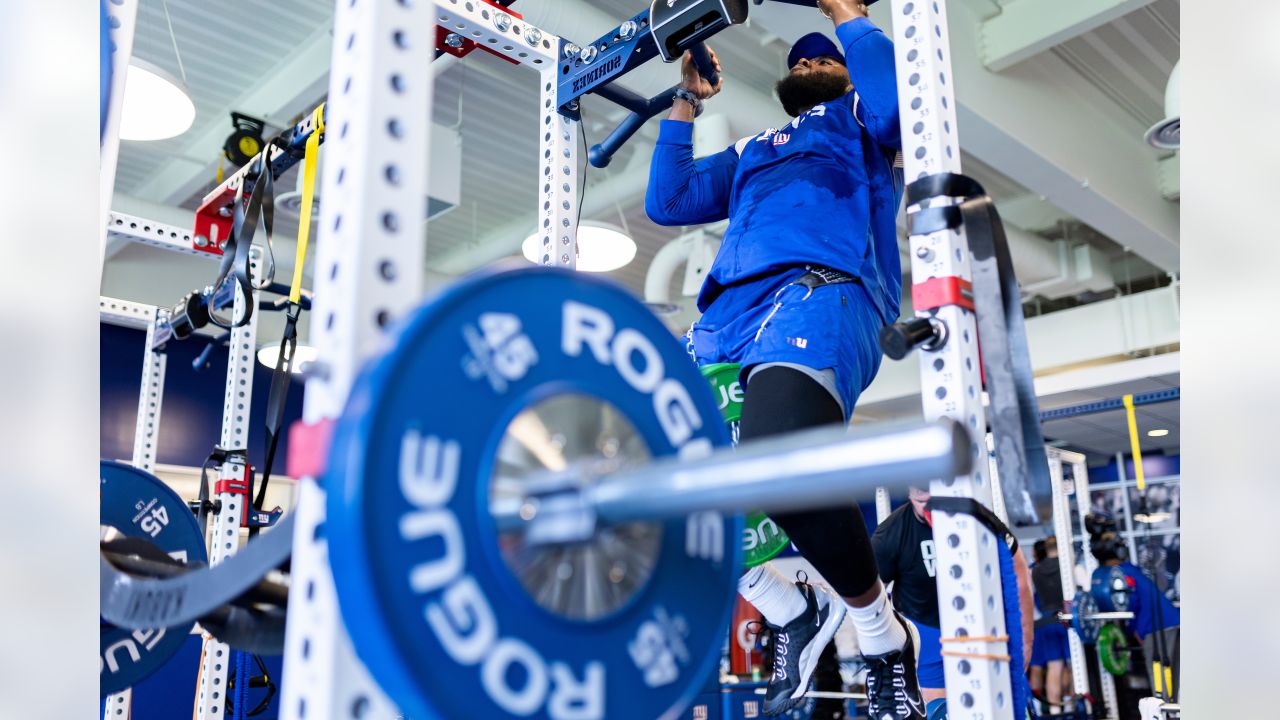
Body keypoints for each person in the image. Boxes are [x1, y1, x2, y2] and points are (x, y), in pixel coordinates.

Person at [645, 1, 916, 716]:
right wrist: (685, 101)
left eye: (820, 56)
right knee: (672, 475)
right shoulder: (754, 149)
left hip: (820, 292)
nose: (804, 64)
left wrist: (848, 14)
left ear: (843, 68)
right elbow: (668, 201)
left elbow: (899, 108)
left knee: (777, 452)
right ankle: (787, 605)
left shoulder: (861, 118)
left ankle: (880, 635)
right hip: (727, 317)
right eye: (796, 60)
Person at [870, 488, 1034, 720]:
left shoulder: (975, 515)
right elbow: (869, 597)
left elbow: (1018, 576)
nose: (928, 508)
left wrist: (1025, 639)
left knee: (1003, 706)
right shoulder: (891, 534)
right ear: (909, 493)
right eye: (920, 500)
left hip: (981, 627)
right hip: (925, 630)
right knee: (940, 710)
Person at [1087, 515, 1180, 702]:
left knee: (1163, 681)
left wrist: (1132, 630)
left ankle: (1167, 713)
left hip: (1158, 629)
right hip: (1167, 623)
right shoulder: (1125, 571)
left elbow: (1130, 605)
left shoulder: (1120, 573)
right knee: (1172, 679)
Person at [1028, 536, 1074, 715]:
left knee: (1054, 668)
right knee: (1072, 666)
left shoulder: (1035, 571)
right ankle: (1070, 706)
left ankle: (1055, 710)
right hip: (1066, 619)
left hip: (1045, 622)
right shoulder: (1067, 567)